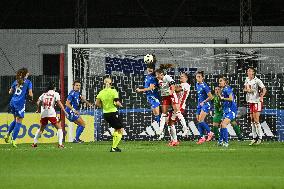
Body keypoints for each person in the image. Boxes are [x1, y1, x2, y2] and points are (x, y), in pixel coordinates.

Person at [155, 64, 188, 141]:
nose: (156, 76)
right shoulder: (159, 80)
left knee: (177, 112)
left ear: (161, 74)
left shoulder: (167, 77)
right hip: (165, 97)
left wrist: (171, 91)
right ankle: (160, 130)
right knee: (164, 114)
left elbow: (173, 85)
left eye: (157, 75)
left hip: (171, 96)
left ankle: (185, 128)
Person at [3, 68, 33, 147]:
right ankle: (13, 139)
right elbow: (30, 94)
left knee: (15, 120)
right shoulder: (28, 82)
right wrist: (31, 98)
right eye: (27, 72)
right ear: (25, 74)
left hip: (12, 102)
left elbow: (10, 92)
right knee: (19, 121)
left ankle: (7, 134)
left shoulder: (15, 82)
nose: (29, 73)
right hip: (20, 103)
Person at [32, 82, 67, 148]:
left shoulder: (44, 94)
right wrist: (64, 111)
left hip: (43, 113)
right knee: (59, 128)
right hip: (51, 113)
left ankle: (34, 143)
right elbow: (59, 103)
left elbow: (38, 102)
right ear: (54, 87)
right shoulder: (55, 94)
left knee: (41, 128)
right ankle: (60, 144)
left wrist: (38, 109)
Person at [95, 77, 124, 152]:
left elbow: (97, 103)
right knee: (120, 130)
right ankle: (114, 147)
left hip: (105, 114)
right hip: (113, 112)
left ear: (104, 84)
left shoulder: (101, 92)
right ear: (111, 84)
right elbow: (116, 102)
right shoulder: (113, 91)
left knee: (116, 129)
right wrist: (121, 105)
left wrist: (104, 106)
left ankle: (114, 147)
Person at [244, 67, 266, 145]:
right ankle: (254, 138)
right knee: (252, 120)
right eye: (247, 71)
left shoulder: (257, 80)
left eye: (249, 71)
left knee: (256, 120)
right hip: (250, 101)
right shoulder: (246, 79)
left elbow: (264, 89)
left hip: (257, 102)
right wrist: (247, 90)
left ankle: (260, 138)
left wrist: (261, 96)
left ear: (253, 72)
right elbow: (245, 89)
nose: (248, 72)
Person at [167, 72, 191, 146]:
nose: (180, 77)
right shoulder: (181, 84)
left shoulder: (186, 85)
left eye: (182, 76)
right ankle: (174, 140)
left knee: (170, 122)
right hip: (175, 106)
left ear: (186, 78)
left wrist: (171, 86)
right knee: (169, 122)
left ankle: (185, 129)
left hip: (180, 106)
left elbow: (177, 89)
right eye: (180, 76)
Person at [136, 62, 160, 127]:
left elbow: (151, 88)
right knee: (155, 113)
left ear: (153, 69)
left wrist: (140, 90)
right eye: (148, 69)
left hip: (154, 96)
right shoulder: (147, 77)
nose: (149, 70)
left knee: (157, 113)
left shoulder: (153, 77)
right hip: (149, 96)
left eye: (151, 69)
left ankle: (162, 130)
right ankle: (160, 128)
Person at [218, 77, 238, 147]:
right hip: (226, 110)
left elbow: (231, 98)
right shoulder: (223, 89)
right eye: (219, 81)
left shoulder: (227, 89)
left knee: (223, 125)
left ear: (225, 82)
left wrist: (223, 98)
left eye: (221, 81)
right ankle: (220, 141)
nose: (219, 82)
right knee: (221, 125)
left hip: (231, 110)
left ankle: (226, 142)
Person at [195, 71, 214, 144]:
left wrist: (204, 102)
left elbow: (211, 97)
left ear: (202, 78)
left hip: (206, 104)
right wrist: (199, 103)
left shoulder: (204, 86)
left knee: (201, 120)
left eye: (199, 77)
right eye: (197, 76)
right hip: (200, 105)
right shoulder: (197, 84)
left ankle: (210, 132)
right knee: (198, 120)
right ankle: (202, 137)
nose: (198, 78)